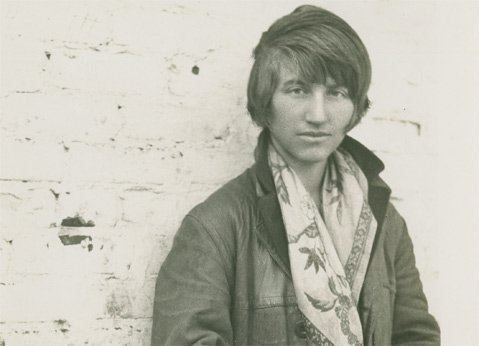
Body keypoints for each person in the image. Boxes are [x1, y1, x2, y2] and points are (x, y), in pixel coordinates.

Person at [151, 5, 440, 345]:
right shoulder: (215, 227)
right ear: (266, 102)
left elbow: (415, 335)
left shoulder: (384, 222)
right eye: (298, 90)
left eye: (336, 92)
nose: (318, 115)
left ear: (355, 106)